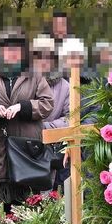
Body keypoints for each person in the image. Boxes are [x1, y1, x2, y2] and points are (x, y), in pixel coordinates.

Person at [0, 30, 52, 208]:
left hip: (27, 150)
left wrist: (23, 107)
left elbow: (47, 104)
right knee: (1, 208)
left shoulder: (35, 76)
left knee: (29, 206)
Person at [35, 35, 70, 192]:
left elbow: (71, 117)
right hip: (26, 147)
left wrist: (47, 126)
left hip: (53, 150)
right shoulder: (26, 81)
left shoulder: (64, 86)